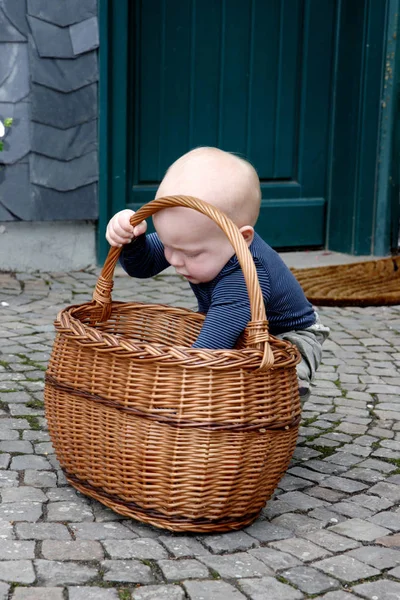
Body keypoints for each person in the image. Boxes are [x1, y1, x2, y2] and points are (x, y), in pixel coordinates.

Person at [106, 147, 329, 400]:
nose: (174, 260)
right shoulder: (190, 237)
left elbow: (210, 348)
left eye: (191, 254)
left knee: (279, 372)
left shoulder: (244, 275)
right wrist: (132, 240)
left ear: (241, 239)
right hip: (231, 319)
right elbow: (141, 267)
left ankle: (277, 406)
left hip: (288, 333)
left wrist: (168, 386)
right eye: (168, 245)